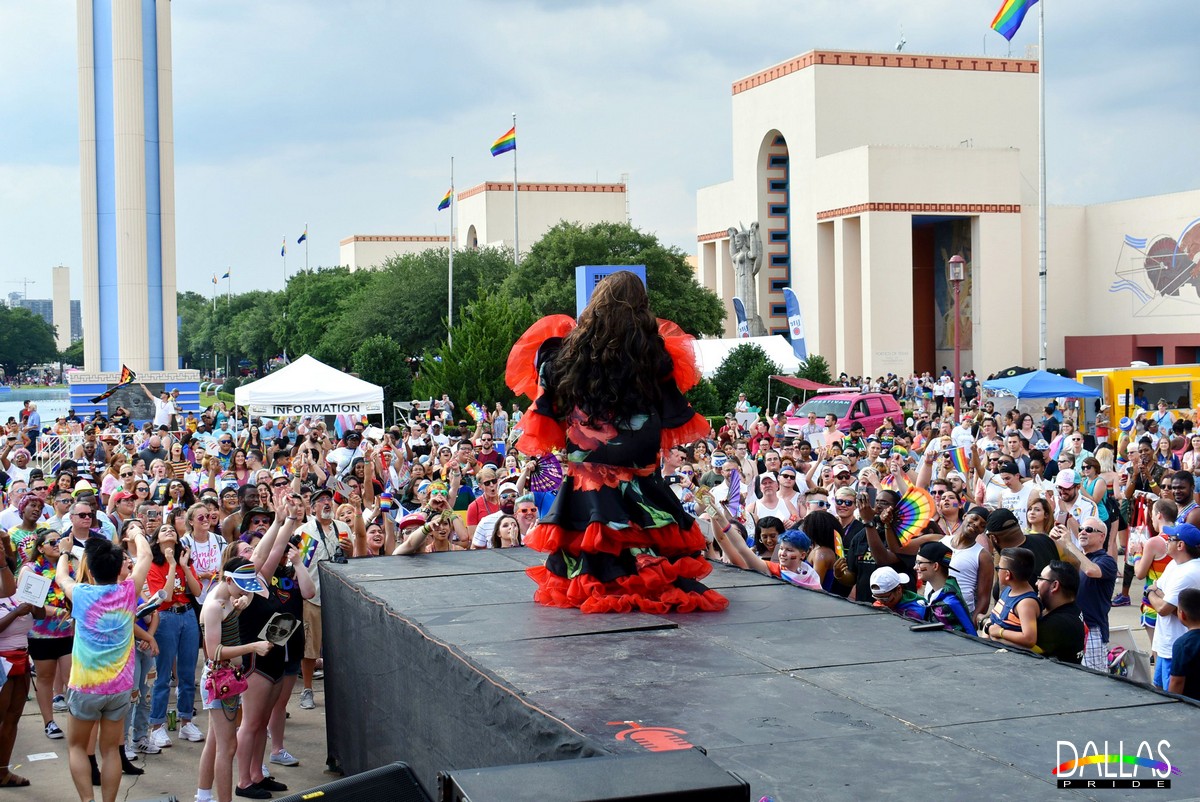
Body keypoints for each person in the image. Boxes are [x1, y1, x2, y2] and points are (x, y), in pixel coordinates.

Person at [504, 271, 727, 613]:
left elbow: (549, 404)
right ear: (642, 307)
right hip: (637, 462)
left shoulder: (564, 353)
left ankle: (599, 582)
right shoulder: (653, 355)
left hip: (587, 466)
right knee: (643, 521)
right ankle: (645, 579)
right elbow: (670, 410)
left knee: (594, 525)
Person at [56, 531, 152, 802]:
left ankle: (88, 800)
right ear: (118, 566)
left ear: (92, 569)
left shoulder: (82, 593)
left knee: (76, 746)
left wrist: (64, 551)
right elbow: (145, 555)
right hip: (119, 686)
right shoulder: (129, 589)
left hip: (85, 687)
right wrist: (137, 534)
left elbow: (61, 577)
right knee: (111, 750)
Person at [146, 522, 204, 747]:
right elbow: (166, 596)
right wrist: (171, 566)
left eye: (171, 528)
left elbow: (197, 592)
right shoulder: (152, 564)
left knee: (188, 673)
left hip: (188, 614)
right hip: (165, 616)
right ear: (157, 539)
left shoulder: (184, 560)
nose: (169, 530)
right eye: (163, 530)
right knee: (163, 675)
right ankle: (157, 726)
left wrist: (184, 566)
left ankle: (186, 721)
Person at [1052, 517, 1117, 670]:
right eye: (1081, 529)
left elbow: (1091, 570)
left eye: (1089, 530)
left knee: (1094, 679)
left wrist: (1069, 544)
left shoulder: (1107, 561)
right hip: (1071, 626)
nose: (1082, 532)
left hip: (1092, 629)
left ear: (1102, 536)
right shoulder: (1076, 558)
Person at [1146, 523, 1200, 690]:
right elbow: (1158, 590)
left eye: (1170, 539)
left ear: (1181, 545)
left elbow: (1163, 609)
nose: (1166, 542)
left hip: (1174, 648)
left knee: (1171, 699)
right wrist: (1160, 595)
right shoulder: (1174, 565)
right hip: (1164, 646)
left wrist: (1149, 594)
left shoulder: (1189, 572)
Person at [983, 547, 1040, 649]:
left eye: (998, 568)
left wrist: (1000, 632)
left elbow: (1029, 639)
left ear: (1007, 574)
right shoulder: (1008, 590)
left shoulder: (1025, 603)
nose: (998, 571)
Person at [1032, 559, 1087, 664]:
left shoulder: (1057, 624)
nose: (1036, 583)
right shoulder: (1073, 609)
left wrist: (997, 631)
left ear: (1054, 586)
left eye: (1040, 578)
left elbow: (1020, 648)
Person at [916, 541, 976, 634]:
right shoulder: (937, 594)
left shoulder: (947, 603)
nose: (915, 567)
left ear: (935, 566)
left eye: (919, 563)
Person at [1168, 588, 1200, 700]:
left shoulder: (1183, 644)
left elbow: (1177, 681)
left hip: (1192, 705)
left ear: (1182, 615)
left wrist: (1171, 705)